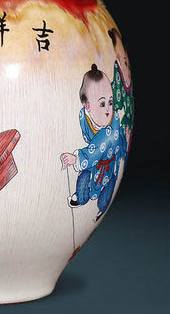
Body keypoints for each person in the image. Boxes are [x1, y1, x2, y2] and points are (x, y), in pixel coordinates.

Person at [60, 64, 128, 221]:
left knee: (105, 192)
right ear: (87, 106)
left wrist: (76, 158)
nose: (108, 110)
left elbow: (97, 148)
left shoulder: (111, 128)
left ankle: (100, 209)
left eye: (110, 102)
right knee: (85, 177)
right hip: (93, 163)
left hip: (107, 164)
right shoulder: (84, 115)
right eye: (102, 104)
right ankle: (82, 197)